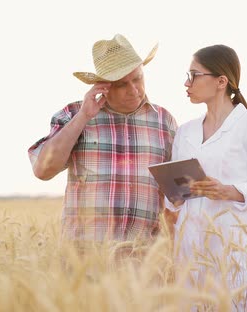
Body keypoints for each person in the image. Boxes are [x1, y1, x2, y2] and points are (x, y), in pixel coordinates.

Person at [28, 34, 177, 257]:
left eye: (137, 79)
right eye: (122, 84)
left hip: (144, 261)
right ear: (103, 87)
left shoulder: (164, 121)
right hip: (85, 262)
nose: (134, 89)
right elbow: (42, 169)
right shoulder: (73, 115)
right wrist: (83, 117)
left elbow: (177, 193)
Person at [166, 44, 247, 311]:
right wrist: (173, 195)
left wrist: (229, 191)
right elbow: (172, 199)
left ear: (221, 81)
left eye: (193, 75)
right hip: (189, 248)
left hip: (233, 248)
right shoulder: (184, 132)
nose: (187, 83)